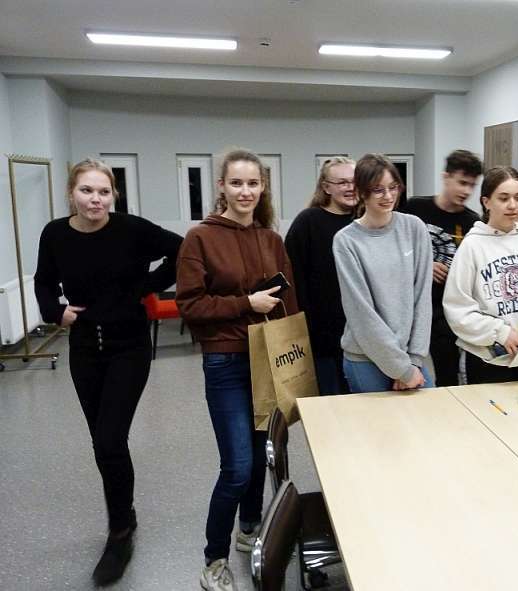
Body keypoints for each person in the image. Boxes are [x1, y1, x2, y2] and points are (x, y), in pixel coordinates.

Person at [34, 158, 182, 586]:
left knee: (110, 439)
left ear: (113, 195)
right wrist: (55, 312)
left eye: (103, 192)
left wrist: (146, 287)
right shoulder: (55, 234)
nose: (95, 199)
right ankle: (125, 515)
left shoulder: (131, 229)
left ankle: (119, 533)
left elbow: (182, 250)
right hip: (84, 350)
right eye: (87, 191)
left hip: (128, 348)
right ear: (71, 194)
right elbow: (44, 281)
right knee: (103, 444)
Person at [176, 149, 298, 591]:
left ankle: (249, 529)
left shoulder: (271, 240)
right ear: (222, 187)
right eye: (236, 183)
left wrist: (293, 355)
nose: (245, 191)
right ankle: (214, 559)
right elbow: (190, 305)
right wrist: (247, 303)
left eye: (253, 183)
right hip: (225, 360)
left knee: (261, 453)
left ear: (263, 187)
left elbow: (289, 303)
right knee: (237, 466)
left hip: (268, 359)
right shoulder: (200, 238)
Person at [443, 166, 518, 384]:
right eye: (504, 198)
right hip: (488, 361)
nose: (513, 205)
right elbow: (457, 309)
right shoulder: (472, 246)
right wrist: (499, 332)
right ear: (486, 202)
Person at [333, 153, 433, 393]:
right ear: (361, 192)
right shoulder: (346, 241)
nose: (388, 196)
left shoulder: (414, 227)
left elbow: (422, 297)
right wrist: (402, 370)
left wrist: (413, 362)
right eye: (378, 190)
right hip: (365, 359)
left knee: (431, 415)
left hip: (411, 357)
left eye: (393, 187)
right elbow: (361, 313)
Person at [402, 149, 483, 386]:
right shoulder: (414, 208)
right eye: (462, 183)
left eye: (472, 185)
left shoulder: (472, 222)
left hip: (445, 312)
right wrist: (424, 266)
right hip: (410, 307)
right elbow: (393, 251)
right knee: (404, 372)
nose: (467, 191)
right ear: (446, 177)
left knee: (448, 376)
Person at [285, 157, 356, 394]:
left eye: (355, 181)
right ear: (326, 187)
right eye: (342, 182)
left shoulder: (366, 221)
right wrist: (305, 329)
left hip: (361, 335)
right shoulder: (308, 222)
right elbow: (294, 278)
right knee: (329, 402)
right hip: (321, 337)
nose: (351, 187)